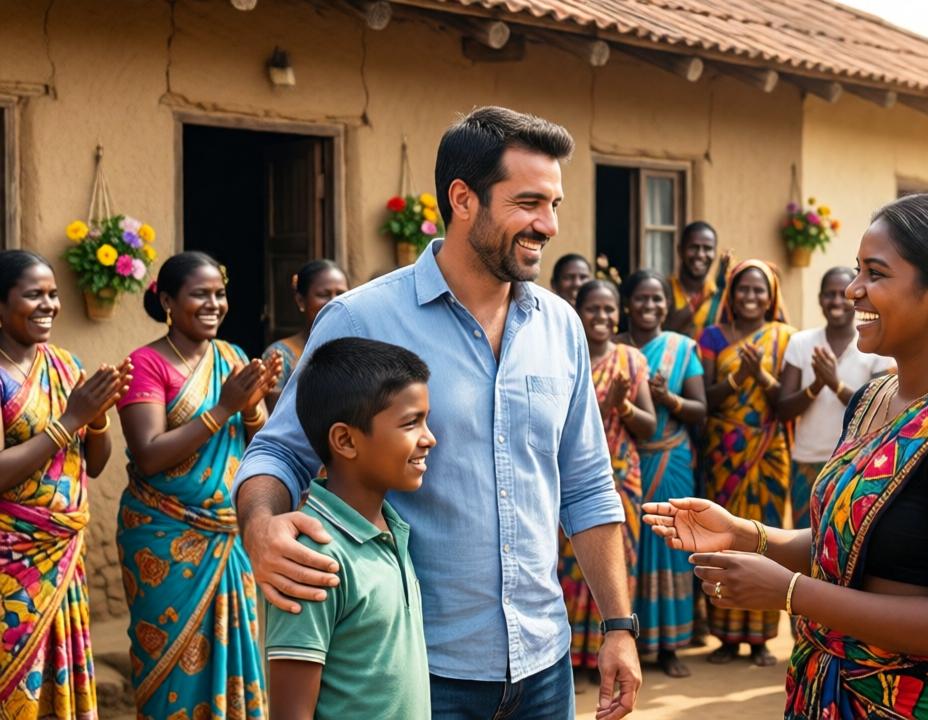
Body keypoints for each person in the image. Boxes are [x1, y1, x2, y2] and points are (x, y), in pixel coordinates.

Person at [232, 106, 642, 720]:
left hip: (545, 666)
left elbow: (586, 485)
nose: (549, 225)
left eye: (554, 204)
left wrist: (618, 625)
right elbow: (279, 450)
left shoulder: (561, 326)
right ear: (463, 199)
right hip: (419, 669)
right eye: (529, 203)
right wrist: (260, 526)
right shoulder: (360, 318)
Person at [643, 194, 928, 718]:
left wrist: (791, 592)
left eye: (875, 274)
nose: (853, 289)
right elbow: (853, 541)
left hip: (924, 703)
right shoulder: (874, 398)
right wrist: (749, 534)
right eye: (857, 270)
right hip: (832, 692)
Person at [116, 252, 281, 718]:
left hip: (230, 536)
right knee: (170, 669)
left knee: (238, 654)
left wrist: (251, 407)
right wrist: (225, 407)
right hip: (163, 538)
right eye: (199, 294)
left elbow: (258, 440)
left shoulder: (229, 356)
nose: (213, 304)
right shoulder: (145, 364)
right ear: (168, 300)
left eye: (219, 293)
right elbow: (148, 454)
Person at [265, 337, 434, 720]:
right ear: (345, 440)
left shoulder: (392, 529)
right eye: (411, 423)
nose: (429, 438)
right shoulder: (314, 558)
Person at [0, 250, 130, 719]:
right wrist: (70, 419)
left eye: (53, 294)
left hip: (62, 555)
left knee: (59, 683)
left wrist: (96, 422)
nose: (49, 304)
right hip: (11, 562)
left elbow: (94, 465)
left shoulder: (65, 365)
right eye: (33, 294)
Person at [696, 259, 795, 667]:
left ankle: (759, 638)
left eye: (759, 290)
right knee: (722, 538)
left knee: (763, 540)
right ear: (731, 294)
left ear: (771, 297)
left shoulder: (786, 338)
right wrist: (739, 378)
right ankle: (724, 636)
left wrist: (762, 376)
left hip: (768, 453)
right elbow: (704, 399)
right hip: (724, 452)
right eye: (743, 289)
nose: (751, 297)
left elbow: (785, 403)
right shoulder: (713, 337)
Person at [561, 280, 656, 684]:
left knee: (615, 568)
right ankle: (574, 657)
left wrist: (624, 405)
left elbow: (648, 426)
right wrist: (604, 404)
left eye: (609, 309)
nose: (601, 317)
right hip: (572, 481)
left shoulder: (631, 360)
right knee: (571, 569)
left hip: (622, 479)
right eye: (593, 309)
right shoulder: (564, 354)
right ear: (578, 312)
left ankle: (611, 649)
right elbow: (563, 426)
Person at [617, 270, 707, 678]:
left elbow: (700, 410)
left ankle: (670, 645)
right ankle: (627, 641)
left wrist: (667, 397)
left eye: (657, 300)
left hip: (670, 461)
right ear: (626, 305)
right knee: (626, 552)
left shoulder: (682, 348)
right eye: (641, 299)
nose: (650, 307)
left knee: (672, 547)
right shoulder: (614, 348)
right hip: (625, 462)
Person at [776, 265, 891, 528]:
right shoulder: (801, 343)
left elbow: (877, 408)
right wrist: (816, 386)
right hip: (807, 460)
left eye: (843, 294)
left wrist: (834, 384)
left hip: (857, 461)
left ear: (855, 298)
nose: (837, 301)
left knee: (846, 538)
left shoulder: (873, 347)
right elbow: (783, 409)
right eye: (829, 294)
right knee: (804, 540)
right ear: (819, 299)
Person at [263, 259, 350, 410]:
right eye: (324, 294)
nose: (334, 302)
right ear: (301, 300)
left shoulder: (359, 347)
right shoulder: (279, 356)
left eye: (341, 294)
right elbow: (273, 419)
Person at [666, 222, 727, 338]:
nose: (700, 255)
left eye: (708, 249)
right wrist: (698, 301)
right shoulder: (665, 290)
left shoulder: (720, 294)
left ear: (715, 253)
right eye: (694, 247)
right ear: (680, 250)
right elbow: (663, 332)